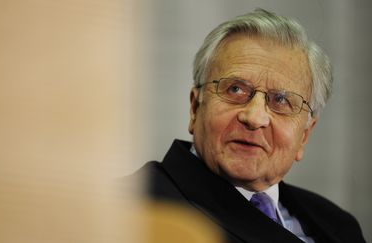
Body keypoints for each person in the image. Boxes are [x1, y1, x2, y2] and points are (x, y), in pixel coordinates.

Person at [128, 9, 365, 243]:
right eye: (235, 89)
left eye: (281, 100)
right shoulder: (134, 208)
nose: (254, 117)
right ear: (195, 108)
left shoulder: (339, 225)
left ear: (304, 135)